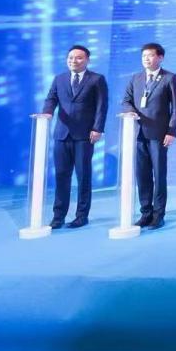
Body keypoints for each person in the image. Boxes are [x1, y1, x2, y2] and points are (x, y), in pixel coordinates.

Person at [40, 45, 108, 228]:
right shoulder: (59, 79)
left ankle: (81, 216)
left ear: (87, 60)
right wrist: (47, 113)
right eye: (70, 57)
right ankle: (58, 216)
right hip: (62, 134)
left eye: (78, 58)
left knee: (83, 176)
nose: (73, 61)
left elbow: (102, 106)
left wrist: (98, 128)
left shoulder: (96, 79)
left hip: (84, 135)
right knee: (62, 175)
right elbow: (51, 99)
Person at [120, 42, 176, 230]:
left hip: (159, 135)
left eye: (150, 55)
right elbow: (126, 100)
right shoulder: (136, 78)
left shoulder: (170, 78)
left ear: (160, 57)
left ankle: (158, 215)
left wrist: (171, 131)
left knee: (159, 175)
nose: (146, 59)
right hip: (139, 133)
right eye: (144, 56)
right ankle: (145, 213)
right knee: (142, 175)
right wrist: (130, 111)